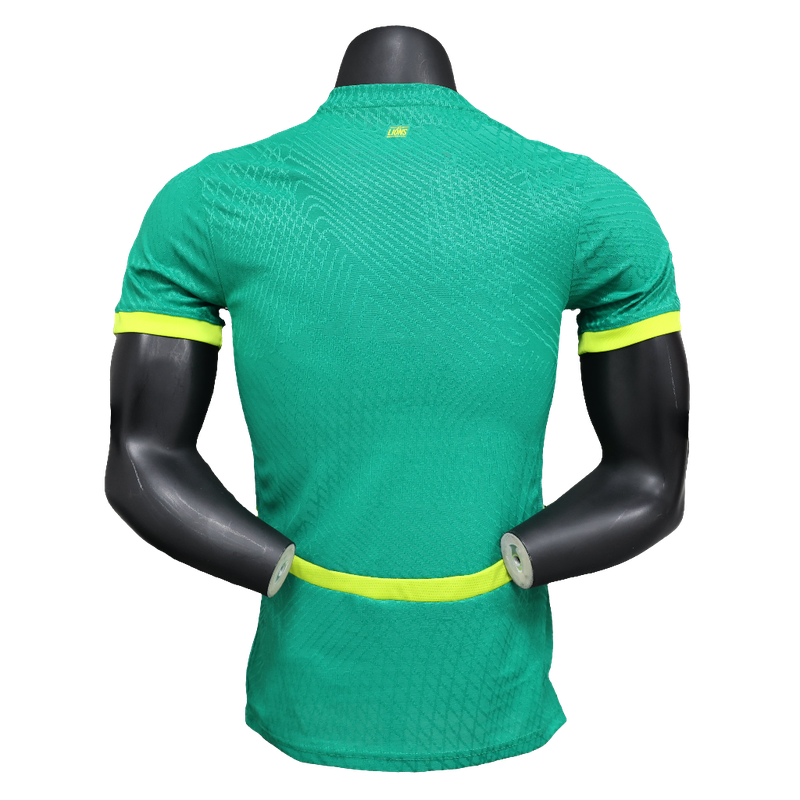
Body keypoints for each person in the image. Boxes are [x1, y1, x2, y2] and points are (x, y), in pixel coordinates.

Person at [105, 24, 689, 772]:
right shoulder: (588, 197)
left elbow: (140, 458)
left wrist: (271, 564)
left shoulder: (205, 197)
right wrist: (264, 560)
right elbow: (654, 477)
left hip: (422, 682)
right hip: (391, 684)